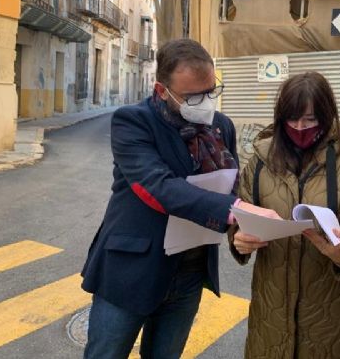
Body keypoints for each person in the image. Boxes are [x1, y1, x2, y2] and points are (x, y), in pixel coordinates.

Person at [80, 38, 279, 359]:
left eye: (211, 91)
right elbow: (158, 186)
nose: (205, 102)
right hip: (131, 270)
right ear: (162, 91)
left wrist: (241, 228)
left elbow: (228, 188)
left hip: (189, 271)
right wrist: (236, 209)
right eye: (193, 96)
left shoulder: (222, 127)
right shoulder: (133, 121)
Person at [228, 71, 340, 358]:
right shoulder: (261, 161)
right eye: (292, 119)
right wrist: (238, 240)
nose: (299, 127)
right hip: (271, 318)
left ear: (327, 116)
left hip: (333, 321)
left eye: (310, 119)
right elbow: (241, 213)